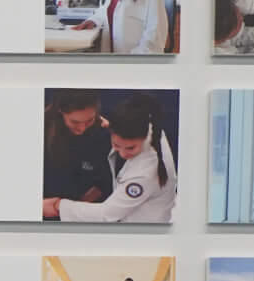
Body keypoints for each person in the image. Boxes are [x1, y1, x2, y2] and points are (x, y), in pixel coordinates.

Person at [50, 94, 176, 223]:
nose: (122, 154)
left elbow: (105, 215)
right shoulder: (148, 125)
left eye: (131, 148)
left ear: (143, 138)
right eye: (116, 145)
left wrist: (58, 206)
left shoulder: (144, 174)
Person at [42, 91, 113, 216]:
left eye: (89, 120)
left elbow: (104, 184)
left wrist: (71, 210)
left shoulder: (105, 133)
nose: (82, 128)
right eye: (74, 122)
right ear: (60, 110)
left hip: (83, 211)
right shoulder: (40, 128)